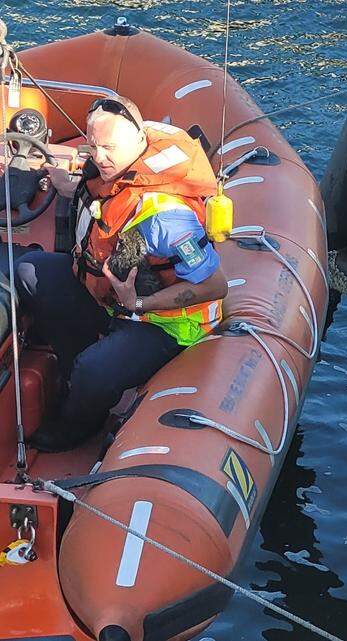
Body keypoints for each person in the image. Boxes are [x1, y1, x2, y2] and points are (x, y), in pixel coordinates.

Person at [17, 96, 228, 452]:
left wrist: (141, 302)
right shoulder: (111, 174)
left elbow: (215, 284)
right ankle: (77, 370)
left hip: (163, 323)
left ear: (138, 140)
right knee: (30, 272)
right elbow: (93, 191)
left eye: (109, 148)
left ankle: (79, 423)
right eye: (93, 146)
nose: (99, 157)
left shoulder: (169, 217)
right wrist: (62, 180)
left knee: (94, 370)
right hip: (114, 299)